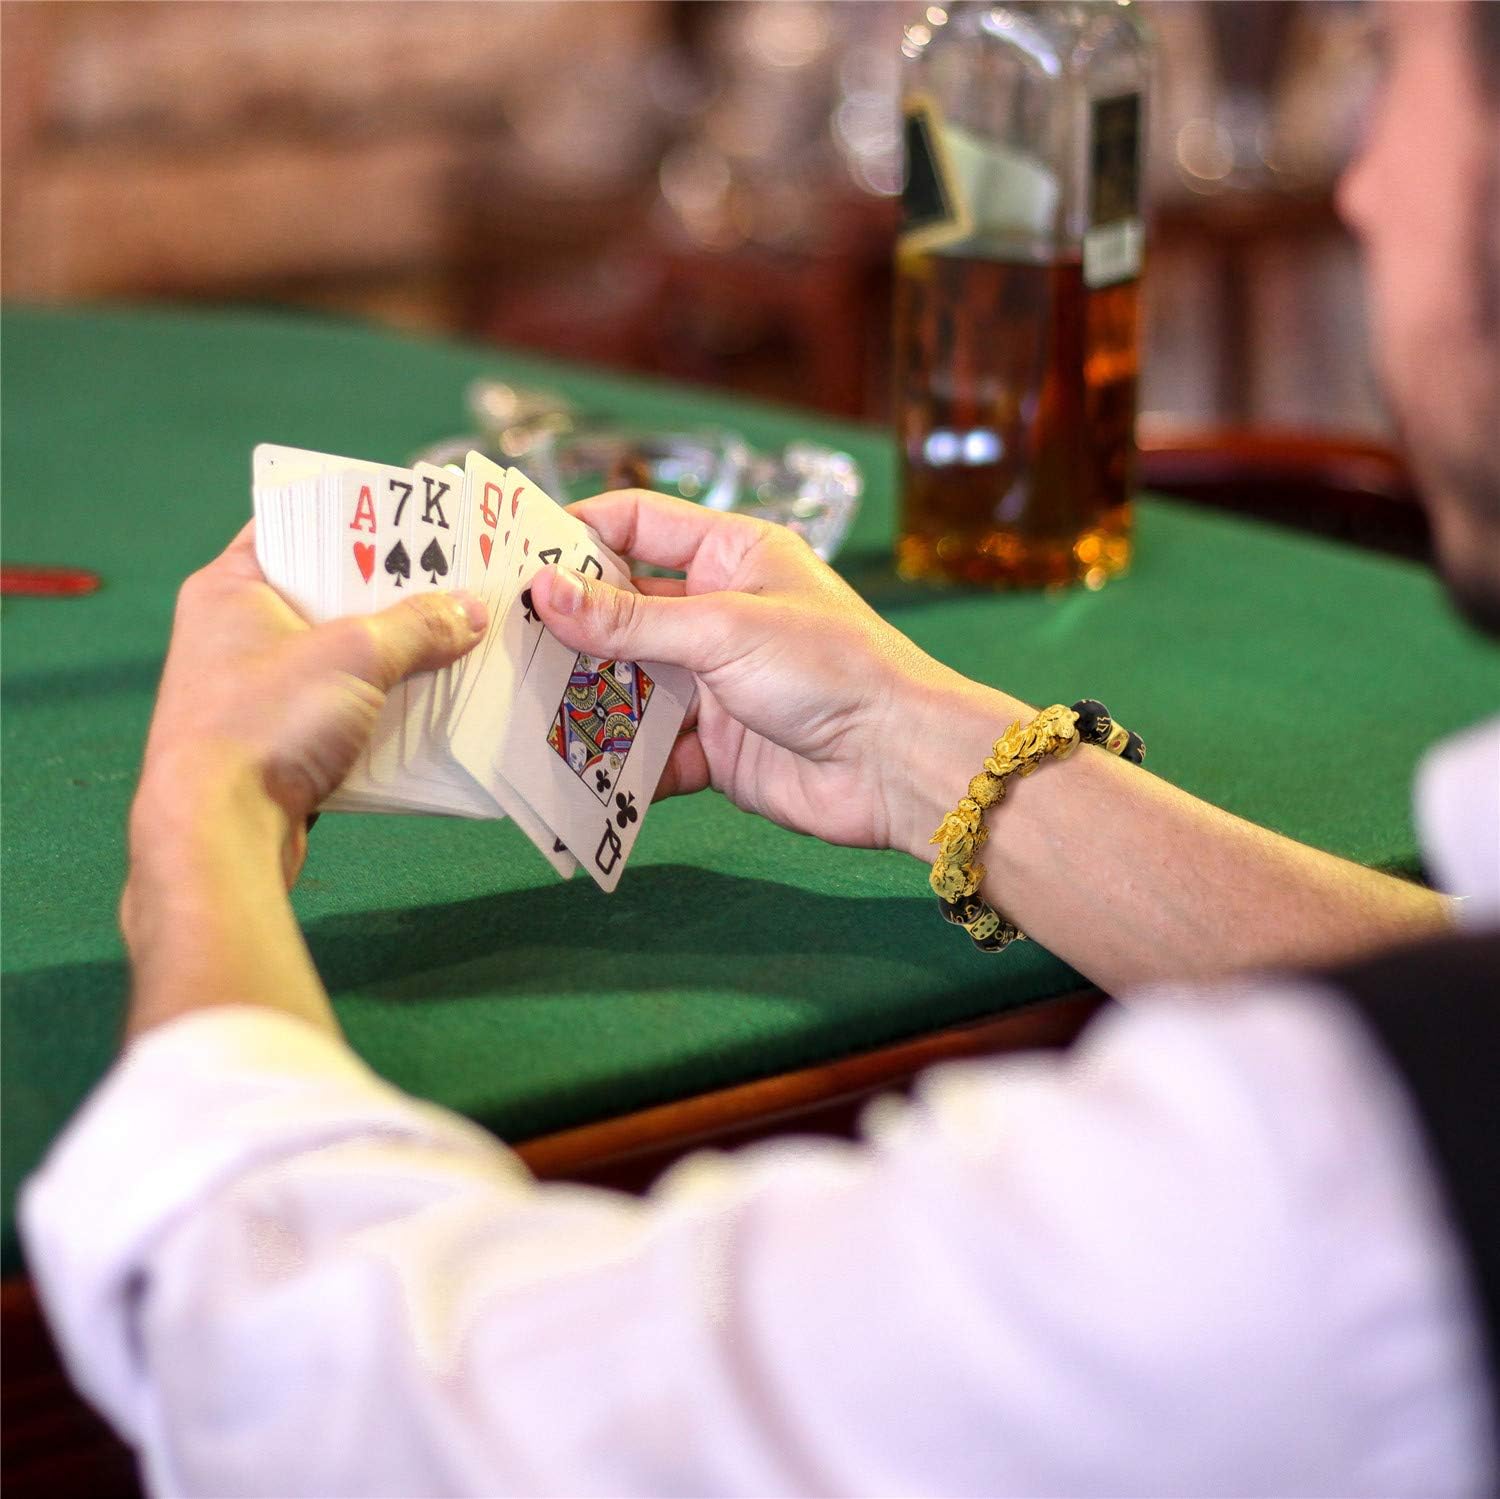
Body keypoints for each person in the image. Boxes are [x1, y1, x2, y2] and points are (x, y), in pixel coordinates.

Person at [20, 2, 1498, 1494]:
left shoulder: (1325, 1215)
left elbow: (366, 1397)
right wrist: (916, 748)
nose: (1363, 183)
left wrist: (201, 821)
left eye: (1395, 69)